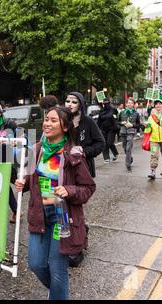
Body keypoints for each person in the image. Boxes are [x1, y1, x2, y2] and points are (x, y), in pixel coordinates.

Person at [14, 106, 96, 300]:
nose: (46, 124)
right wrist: (23, 182)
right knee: (36, 264)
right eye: (46, 119)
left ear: (65, 127)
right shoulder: (38, 150)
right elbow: (30, 177)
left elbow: (88, 187)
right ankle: (59, 293)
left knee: (57, 269)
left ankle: (58, 295)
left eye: (52, 120)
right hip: (39, 214)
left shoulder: (73, 155)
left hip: (62, 216)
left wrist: (70, 190)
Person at [63, 92, 104, 267]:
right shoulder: (61, 120)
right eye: (67, 101)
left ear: (80, 105)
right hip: (63, 170)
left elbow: (100, 143)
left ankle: (78, 242)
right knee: (65, 204)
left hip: (81, 170)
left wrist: (84, 152)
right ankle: (73, 234)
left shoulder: (88, 122)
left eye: (74, 102)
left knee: (76, 205)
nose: (70, 104)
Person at [118, 98, 141, 171]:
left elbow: (138, 125)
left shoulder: (136, 113)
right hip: (123, 132)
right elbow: (117, 122)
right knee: (125, 148)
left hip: (131, 132)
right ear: (126, 104)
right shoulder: (122, 112)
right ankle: (130, 158)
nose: (130, 104)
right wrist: (122, 123)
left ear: (134, 104)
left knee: (128, 148)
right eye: (128, 103)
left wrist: (132, 125)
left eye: (131, 103)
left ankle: (128, 165)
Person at [97, 98, 119, 163]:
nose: (106, 105)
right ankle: (106, 158)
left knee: (109, 142)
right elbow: (99, 120)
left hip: (112, 129)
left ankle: (115, 153)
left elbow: (117, 115)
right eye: (104, 104)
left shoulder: (113, 109)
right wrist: (97, 129)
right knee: (104, 143)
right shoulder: (101, 111)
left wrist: (115, 118)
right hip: (103, 129)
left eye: (107, 103)